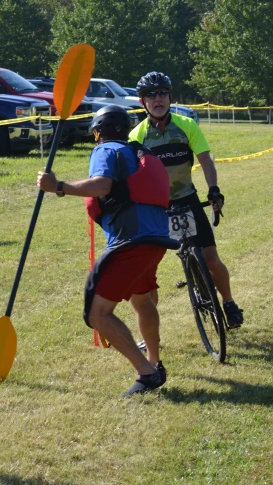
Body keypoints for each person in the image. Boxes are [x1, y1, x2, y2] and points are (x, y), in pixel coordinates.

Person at [37, 105, 177, 397]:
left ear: (97, 131)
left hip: (131, 243)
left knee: (97, 314)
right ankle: (153, 359)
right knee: (141, 299)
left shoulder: (105, 150)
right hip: (156, 240)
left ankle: (148, 373)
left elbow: (102, 186)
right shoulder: (138, 151)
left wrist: (57, 186)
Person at [129, 71, 245, 328]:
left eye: (163, 94)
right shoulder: (137, 136)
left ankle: (228, 302)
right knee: (148, 270)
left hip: (188, 198)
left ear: (170, 97)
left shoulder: (187, 125)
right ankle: (147, 326)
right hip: (158, 208)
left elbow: (205, 160)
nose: (158, 99)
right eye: (151, 95)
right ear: (142, 102)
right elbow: (132, 177)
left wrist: (213, 190)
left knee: (211, 259)